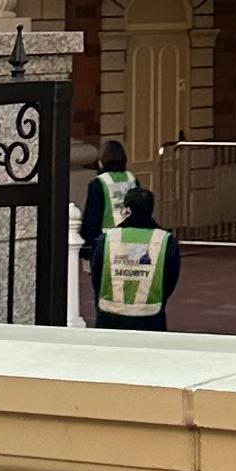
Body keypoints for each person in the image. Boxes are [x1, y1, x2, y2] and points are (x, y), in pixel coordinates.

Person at [90, 177, 178, 332]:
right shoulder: (165, 240)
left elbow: (97, 274)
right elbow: (170, 278)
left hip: (110, 314)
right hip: (150, 314)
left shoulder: (108, 238)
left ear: (127, 209)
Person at [77, 137, 136, 320]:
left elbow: (92, 217)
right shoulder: (131, 179)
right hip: (131, 239)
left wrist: (86, 248)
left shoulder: (99, 183)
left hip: (106, 241)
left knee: (104, 289)